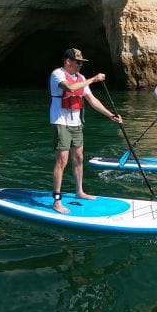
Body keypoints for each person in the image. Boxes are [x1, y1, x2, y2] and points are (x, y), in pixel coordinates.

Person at [49, 48, 122, 214]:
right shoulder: (57, 74)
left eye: (82, 63)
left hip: (77, 123)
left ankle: (79, 191)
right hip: (60, 122)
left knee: (79, 157)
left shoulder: (81, 78)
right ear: (68, 61)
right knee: (62, 160)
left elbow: (92, 100)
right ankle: (57, 200)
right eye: (78, 62)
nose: (80, 65)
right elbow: (70, 88)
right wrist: (94, 79)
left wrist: (110, 115)